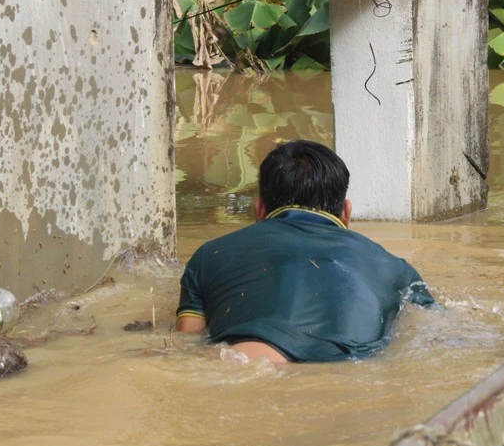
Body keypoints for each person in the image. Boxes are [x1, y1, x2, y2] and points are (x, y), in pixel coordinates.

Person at [176, 140, 434, 363]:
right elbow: (433, 331)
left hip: (247, 363)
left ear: (259, 209)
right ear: (346, 212)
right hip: (351, 372)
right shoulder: (397, 269)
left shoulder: (209, 256)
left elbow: (188, 342)